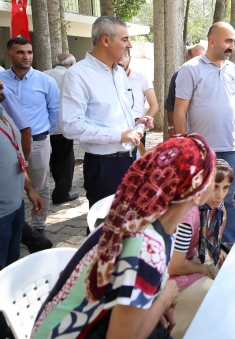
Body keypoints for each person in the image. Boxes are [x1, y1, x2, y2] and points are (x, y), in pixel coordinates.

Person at [30, 134, 216, 339]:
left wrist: (157, 297)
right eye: (212, 174)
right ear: (195, 191)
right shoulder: (146, 247)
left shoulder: (146, 218)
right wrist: (164, 297)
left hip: (74, 332)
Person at [60, 16, 153, 210]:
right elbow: (70, 126)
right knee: (104, 230)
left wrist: (136, 123)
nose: (130, 45)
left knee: (128, 225)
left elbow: (117, 114)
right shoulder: (77, 75)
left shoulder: (119, 73)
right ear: (105, 40)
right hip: (104, 167)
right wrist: (119, 135)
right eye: (125, 39)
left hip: (129, 160)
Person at [174, 22, 235, 246]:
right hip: (203, 151)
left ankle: (227, 243)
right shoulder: (190, 69)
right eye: (228, 41)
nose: (232, 46)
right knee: (200, 199)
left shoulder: (232, 69)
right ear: (212, 41)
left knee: (228, 200)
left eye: (233, 41)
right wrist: (186, 147)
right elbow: (180, 110)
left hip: (230, 148)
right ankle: (199, 244)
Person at [0, 83, 44, 339]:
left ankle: (9, 327)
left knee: (10, 273)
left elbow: (15, 151)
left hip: (13, 208)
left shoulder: (4, 110)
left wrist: (29, 188)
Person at [169, 159, 232, 339]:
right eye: (214, 187)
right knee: (215, 294)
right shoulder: (188, 218)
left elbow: (213, 240)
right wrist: (203, 269)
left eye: (226, 187)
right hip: (165, 276)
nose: (219, 195)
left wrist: (217, 250)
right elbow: (174, 266)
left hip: (190, 259)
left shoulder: (218, 209)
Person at [1, 37, 60, 234]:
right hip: (8, 145)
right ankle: (15, 226)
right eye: (20, 52)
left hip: (37, 143)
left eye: (29, 52)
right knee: (11, 185)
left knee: (39, 186)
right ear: (9, 54)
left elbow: (54, 112)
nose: (26, 56)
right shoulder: (2, 83)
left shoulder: (46, 81)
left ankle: (38, 228)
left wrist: (42, 133)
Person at [44, 53, 79, 205]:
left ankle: (49, 192)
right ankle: (61, 193)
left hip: (46, 127)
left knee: (52, 159)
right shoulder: (72, 76)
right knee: (65, 161)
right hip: (64, 126)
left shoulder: (44, 75)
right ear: (71, 64)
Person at [118, 48, 158, 156]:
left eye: (124, 57)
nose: (120, 61)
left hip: (137, 129)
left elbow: (154, 105)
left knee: (138, 164)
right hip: (117, 131)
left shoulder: (141, 77)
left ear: (130, 58)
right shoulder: (107, 80)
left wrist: (143, 121)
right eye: (117, 57)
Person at [166, 44, 205, 136]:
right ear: (188, 59)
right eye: (197, 58)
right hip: (187, 131)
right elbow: (170, 105)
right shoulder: (178, 76)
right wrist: (171, 127)